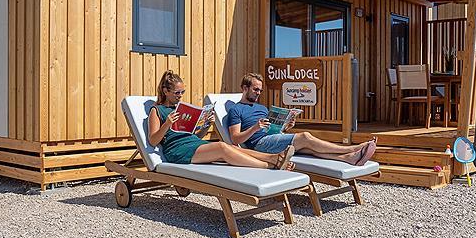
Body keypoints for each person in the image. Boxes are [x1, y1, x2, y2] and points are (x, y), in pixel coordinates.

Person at [149, 71, 295, 170]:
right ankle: (269, 166)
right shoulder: (157, 110)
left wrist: (206, 125)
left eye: (182, 92)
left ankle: (274, 158)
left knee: (234, 148)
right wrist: (167, 124)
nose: (180, 96)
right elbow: (153, 140)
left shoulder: (181, 108)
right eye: (177, 93)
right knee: (222, 147)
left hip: (194, 143)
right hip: (177, 150)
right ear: (165, 91)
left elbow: (195, 136)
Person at [226, 73, 377, 165]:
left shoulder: (262, 108)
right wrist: (255, 128)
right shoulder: (236, 110)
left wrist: (287, 126)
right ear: (245, 88)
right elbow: (235, 139)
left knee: (309, 149)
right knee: (305, 137)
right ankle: (352, 148)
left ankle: (349, 158)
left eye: (260, 90)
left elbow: (272, 130)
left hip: (272, 138)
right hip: (259, 145)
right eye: (255, 89)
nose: (258, 93)